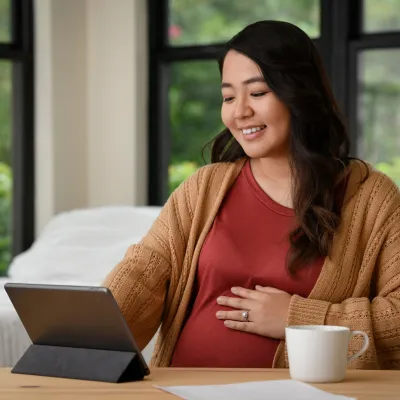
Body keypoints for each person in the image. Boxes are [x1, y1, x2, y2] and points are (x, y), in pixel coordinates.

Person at [103, 20, 400, 370]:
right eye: (228, 97)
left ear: (300, 94)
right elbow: (144, 272)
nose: (239, 111)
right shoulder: (204, 188)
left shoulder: (372, 198)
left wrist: (298, 318)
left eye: (257, 93)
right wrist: (84, 326)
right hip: (180, 391)